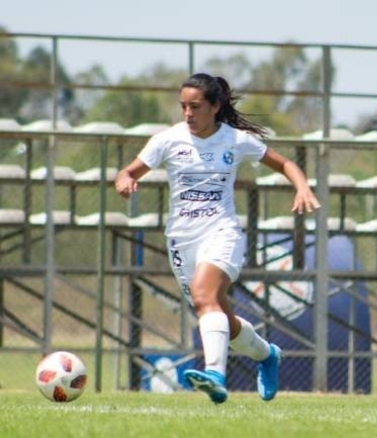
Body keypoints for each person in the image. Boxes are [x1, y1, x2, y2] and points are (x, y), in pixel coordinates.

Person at [115, 72, 321, 404]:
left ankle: (215, 374)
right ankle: (267, 355)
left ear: (215, 106)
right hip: (181, 241)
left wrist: (302, 187)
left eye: (195, 106)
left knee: (204, 293)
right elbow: (127, 171)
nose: (187, 114)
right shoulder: (167, 140)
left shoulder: (235, 140)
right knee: (217, 314)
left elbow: (285, 164)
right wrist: (125, 181)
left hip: (221, 232)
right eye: (183, 106)